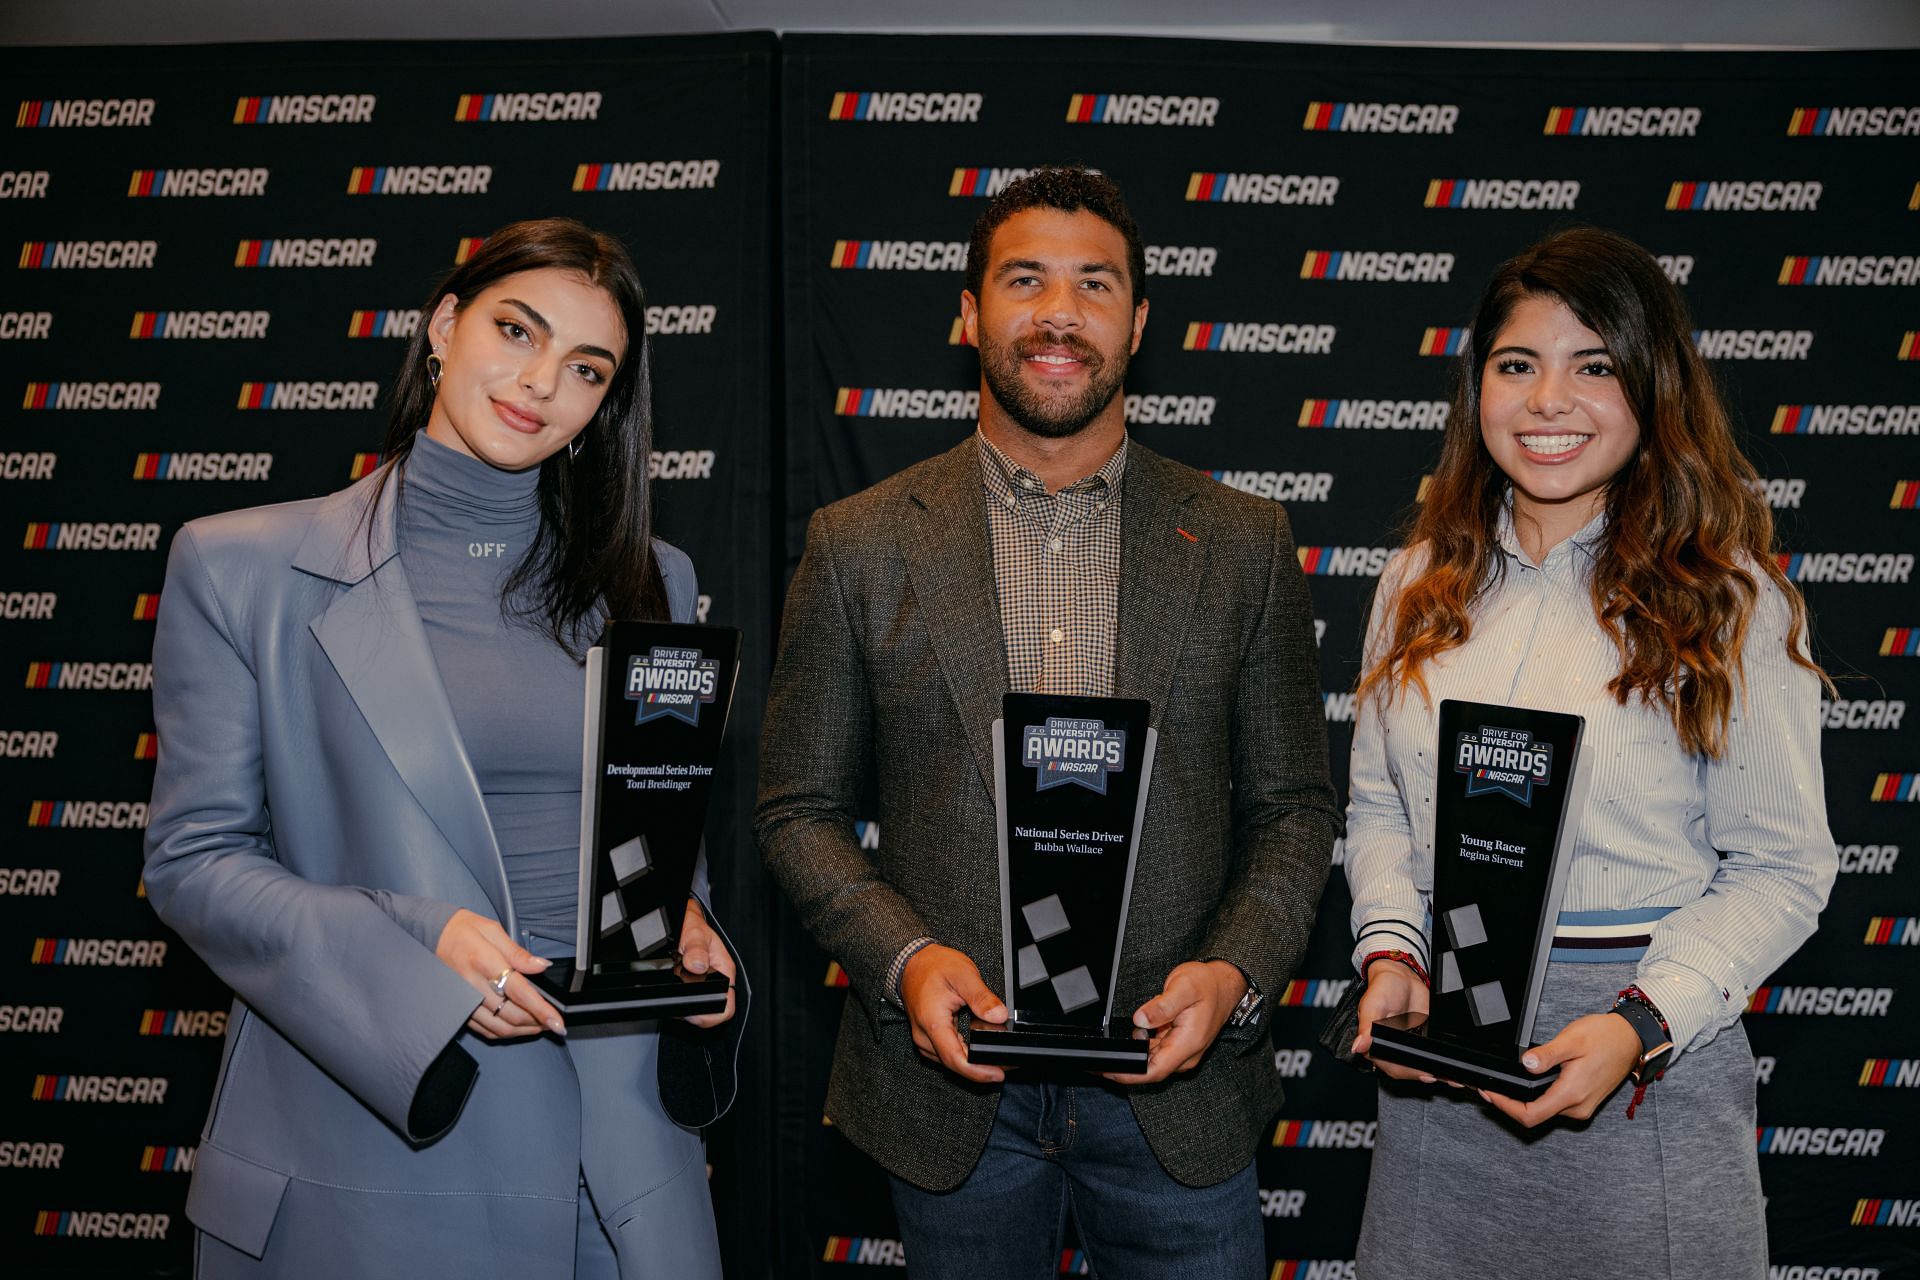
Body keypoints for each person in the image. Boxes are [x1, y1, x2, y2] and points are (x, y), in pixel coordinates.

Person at [757, 167, 1338, 1278]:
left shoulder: (1245, 540)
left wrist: (1233, 971)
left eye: (1095, 284)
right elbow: (797, 807)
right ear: (970, 312)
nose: (1060, 314)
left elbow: (1295, 809)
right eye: (1025, 280)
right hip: (950, 1094)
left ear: (1140, 321)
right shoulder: (860, 541)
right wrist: (906, 956)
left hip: (1176, 1091)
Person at [144, 218, 740, 1280]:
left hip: (629, 1167)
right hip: (377, 1149)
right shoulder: (241, 568)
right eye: (518, 330)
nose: (539, 381)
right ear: (445, 323)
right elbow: (193, 864)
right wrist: (416, 940)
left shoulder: (657, 582)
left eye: (586, 367)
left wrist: (686, 921)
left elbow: (659, 835)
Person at [1344, 226, 1834, 1277]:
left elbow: (1786, 865)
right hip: (1447, 1065)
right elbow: (1381, 805)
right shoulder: (1414, 583)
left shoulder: (1729, 598)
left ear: (1652, 386)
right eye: (1517, 365)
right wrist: (1393, 951)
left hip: (1645, 1071)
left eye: (1593, 366)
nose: (1547, 401)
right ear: (1478, 386)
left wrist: (1639, 1023)